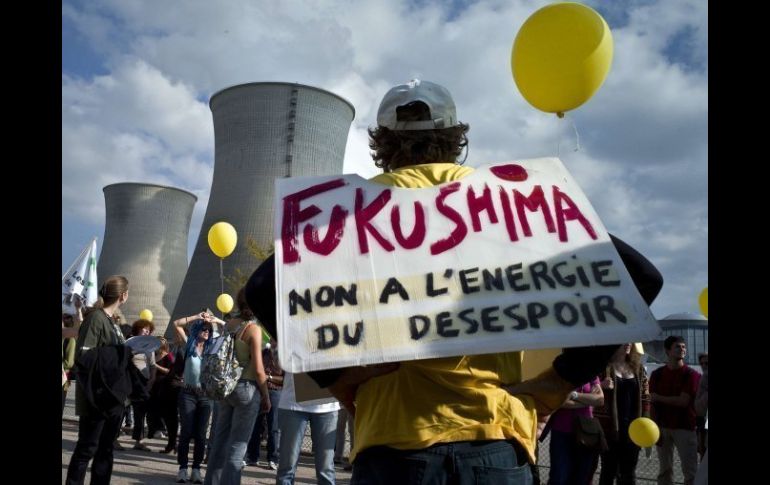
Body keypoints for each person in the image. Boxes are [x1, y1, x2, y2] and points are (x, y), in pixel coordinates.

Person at [245, 79, 664, 485]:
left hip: (391, 441)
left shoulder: (347, 215)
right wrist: (559, 379)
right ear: (454, 137)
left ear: (383, 143)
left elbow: (261, 288)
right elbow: (642, 276)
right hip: (497, 438)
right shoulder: (511, 202)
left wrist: (337, 378)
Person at [65, 276, 131, 485]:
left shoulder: (113, 323)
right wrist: (118, 353)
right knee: (87, 448)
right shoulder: (96, 319)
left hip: (113, 398)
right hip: (97, 398)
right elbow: (84, 357)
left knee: (106, 451)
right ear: (123, 295)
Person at [204, 288, 271, 485]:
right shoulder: (253, 329)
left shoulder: (229, 325)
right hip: (246, 389)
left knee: (220, 441)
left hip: (225, 387)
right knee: (237, 446)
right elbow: (259, 369)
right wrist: (266, 396)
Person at [172, 311, 221, 484]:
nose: (207, 332)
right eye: (204, 329)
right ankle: (183, 469)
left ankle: (196, 469)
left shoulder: (213, 348)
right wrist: (197, 317)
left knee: (200, 434)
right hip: (188, 393)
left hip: (206, 396)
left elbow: (233, 333)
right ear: (198, 329)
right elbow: (177, 324)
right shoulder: (189, 344)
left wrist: (215, 320)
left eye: (209, 330)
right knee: (186, 432)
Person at [594, 343, 651, 485]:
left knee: (629, 472)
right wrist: (601, 385)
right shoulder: (603, 368)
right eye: (623, 341)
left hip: (634, 428)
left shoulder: (639, 369)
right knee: (608, 470)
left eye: (630, 342)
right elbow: (590, 390)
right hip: (610, 428)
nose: (628, 344)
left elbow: (645, 397)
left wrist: (646, 419)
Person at [649, 336, 701, 485]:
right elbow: (652, 402)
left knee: (690, 471)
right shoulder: (657, 374)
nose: (682, 349)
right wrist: (654, 427)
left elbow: (683, 401)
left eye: (684, 347)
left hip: (685, 427)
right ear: (667, 351)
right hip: (662, 426)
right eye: (678, 347)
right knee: (664, 470)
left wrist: (658, 397)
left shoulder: (691, 375)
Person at [548, 377, 604, 485]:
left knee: (582, 477)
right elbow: (558, 401)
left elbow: (600, 400)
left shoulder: (591, 373)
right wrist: (588, 401)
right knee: (559, 477)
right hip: (561, 431)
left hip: (586, 432)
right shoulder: (559, 372)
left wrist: (574, 395)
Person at [245, 338, 284, 470]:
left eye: (276, 339)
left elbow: (285, 379)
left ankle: (273, 458)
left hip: (275, 392)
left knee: (274, 427)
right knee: (255, 425)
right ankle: (252, 456)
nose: (274, 341)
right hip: (260, 390)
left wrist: (270, 377)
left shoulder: (284, 357)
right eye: (272, 339)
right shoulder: (263, 353)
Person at [695, 353, 708, 461]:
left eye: (706, 363)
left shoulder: (705, 377)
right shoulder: (703, 377)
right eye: (702, 363)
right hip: (701, 421)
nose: (704, 365)